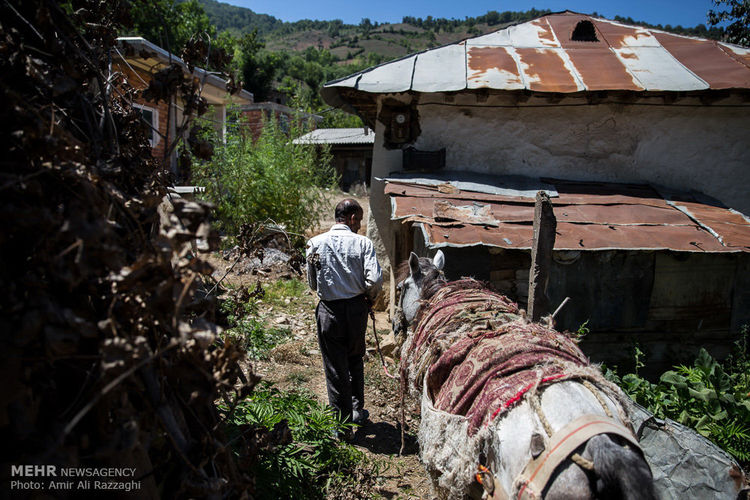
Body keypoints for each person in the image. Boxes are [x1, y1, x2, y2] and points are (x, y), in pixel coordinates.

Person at [306, 199, 382, 437]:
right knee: (355, 359)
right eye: (358, 220)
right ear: (351, 218)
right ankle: (357, 411)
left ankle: (342, 425)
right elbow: (374, 280)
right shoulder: (363, 243)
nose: (359, 225)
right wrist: (369, 299)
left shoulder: (315, 243)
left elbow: (312, 283)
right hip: (357, 310)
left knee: (335, 368)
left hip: (329, 311)